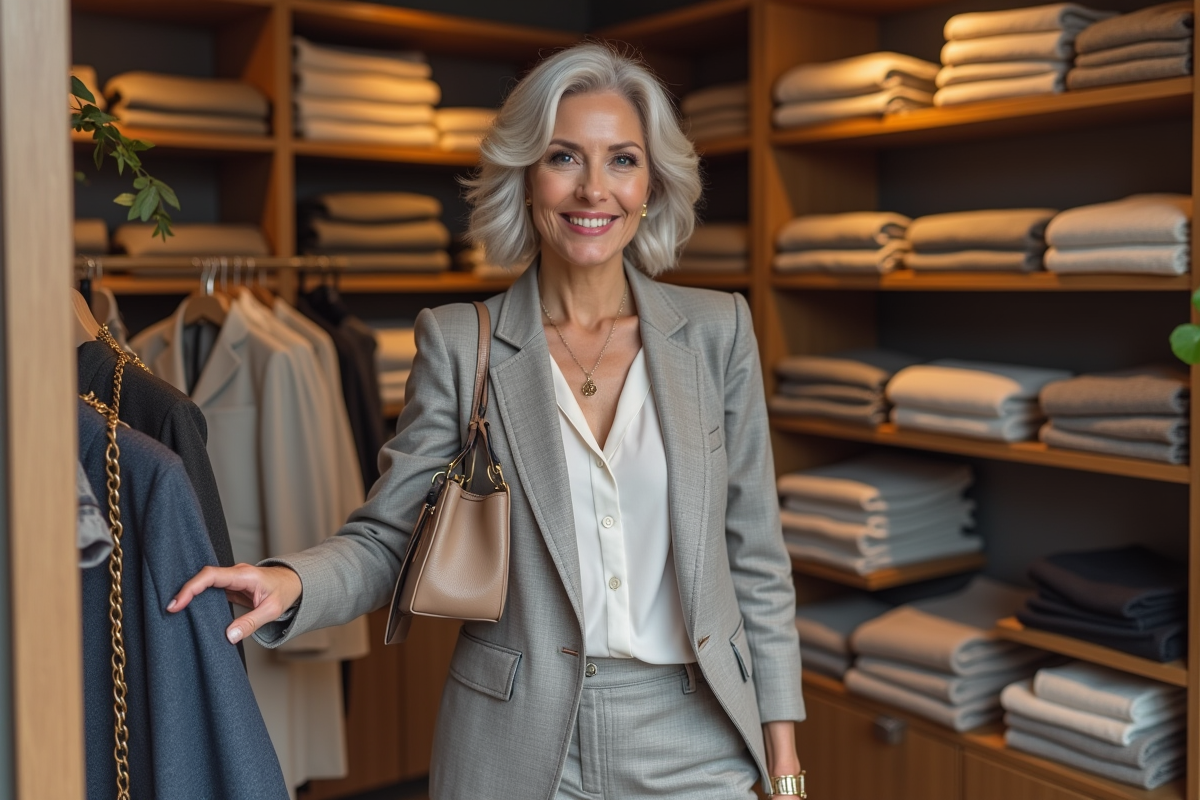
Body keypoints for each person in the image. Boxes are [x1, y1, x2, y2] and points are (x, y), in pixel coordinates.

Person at [169, 41, 806, 799]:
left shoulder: (717, 332)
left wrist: (785, 757)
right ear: (527, 177)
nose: (593, 189)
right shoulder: (460, 341)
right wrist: (290, 582)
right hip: (520, 739)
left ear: (652, 184)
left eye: (622, 160)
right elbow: (392, 536)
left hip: (695, 731)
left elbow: (756, 557)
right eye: (565, 157)